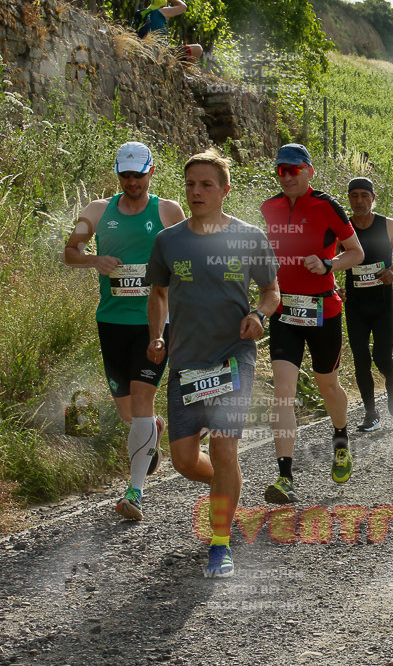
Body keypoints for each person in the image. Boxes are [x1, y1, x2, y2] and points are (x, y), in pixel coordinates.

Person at [146, 149, 280, 578]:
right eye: (190, 184)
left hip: (232, 357)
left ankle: (219, 545)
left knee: (224, 448)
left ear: (224, 190)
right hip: (186, 361)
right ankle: (229, 490)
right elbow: (157, 294)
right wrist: (156, 335)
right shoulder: (169, 241)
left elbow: (272, 292)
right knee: (185, 461)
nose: (196, 191)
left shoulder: (249, 237)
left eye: (206, 184)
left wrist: (259, 316)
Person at [64, 141, 186, 521]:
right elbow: (70, 251)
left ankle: (135, 492)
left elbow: (186, 259)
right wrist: (93, 259)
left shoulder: (167, 211)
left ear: (151, 172)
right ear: (118, 174)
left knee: (142, 402)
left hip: (155, 324)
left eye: (139, 174)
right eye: (125, 175)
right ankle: (153, 432)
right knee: (127, 412)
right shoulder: (97, 211)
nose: (132, 181)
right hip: (112, 320)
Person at [260, 144, 364, 504]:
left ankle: (341, 438)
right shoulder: (269, 208)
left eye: (293, 170)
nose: (287, 176)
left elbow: (356, 253)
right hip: (285, 312)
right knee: (282, 392)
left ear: (309, 171)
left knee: (328, 384)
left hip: (323, 312)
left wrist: (328, 264)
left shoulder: (328, 207)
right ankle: (285, 477)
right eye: (281, 171)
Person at [343, 177, 393, 432]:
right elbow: (331, 261)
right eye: (354, 196)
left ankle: (392, 384)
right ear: (349, 198)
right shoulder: (344, 227)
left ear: (373, 198)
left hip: (382, 303)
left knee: (382, 356)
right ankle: (371, 414)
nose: (359, 201)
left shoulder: (388, 225)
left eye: (364, 195)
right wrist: (334, 287)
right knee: (361, 359)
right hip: (355, 304)